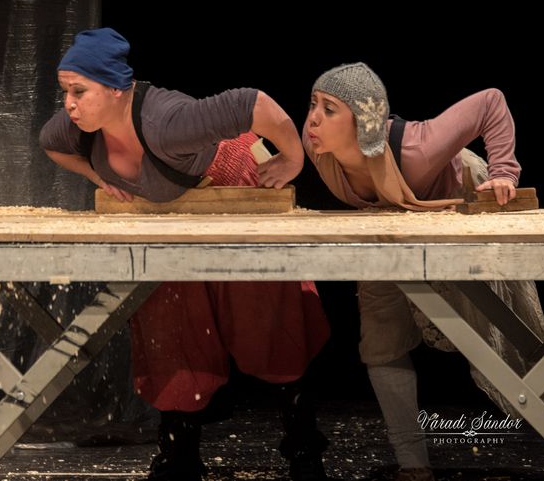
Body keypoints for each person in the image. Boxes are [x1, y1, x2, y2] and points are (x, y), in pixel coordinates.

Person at [39, 28, 332, 481]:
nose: (69, 104)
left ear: (116, 89)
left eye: (79, 92)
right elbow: (49, 143)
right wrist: (98, 177)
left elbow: (254, 104)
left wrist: (294, 158)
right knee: (170, 320)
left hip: (232, 188)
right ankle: (179, 455)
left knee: (266, 317)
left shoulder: (168, 124)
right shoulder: (76, 125)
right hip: (171, 215)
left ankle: (304, 448)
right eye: (65, 92)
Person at [303, 62, 544, 481]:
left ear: (363, 121)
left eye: (328, 109)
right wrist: (283, 161)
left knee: (492, 336)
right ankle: (412, 465)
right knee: (380, 336)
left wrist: (504, 172)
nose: (311, 119)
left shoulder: (418, 148)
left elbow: (491, 101)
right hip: (390, 225)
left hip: (458, 205)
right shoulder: (316, 146)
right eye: (313, 104)